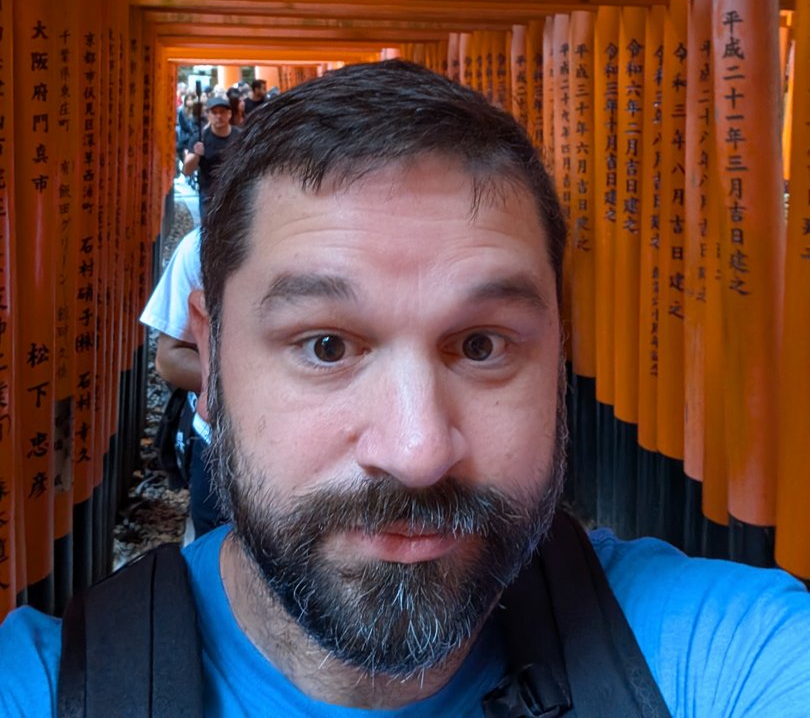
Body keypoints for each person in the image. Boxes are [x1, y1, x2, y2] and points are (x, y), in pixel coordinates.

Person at [1, 61, 808, 717]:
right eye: (326, 347)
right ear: (209, 360)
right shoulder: (45, 687)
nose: (419, 451)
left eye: (482, 346)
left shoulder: (721, 657)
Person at [139, 227, 224, 537]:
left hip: (328, 457)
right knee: (217, 563)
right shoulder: (202, 247)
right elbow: (169, 357)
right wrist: (245, 390)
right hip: (219, 449)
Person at [182, 93, 241, 220]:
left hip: (234, 193)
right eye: (214, 113)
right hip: (208, 193)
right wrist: (197, 155)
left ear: (229, 114)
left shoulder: (240, 136)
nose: (219, 116)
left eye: (222, 112)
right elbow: (187, 170)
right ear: (208, 116)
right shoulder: (200, 137)